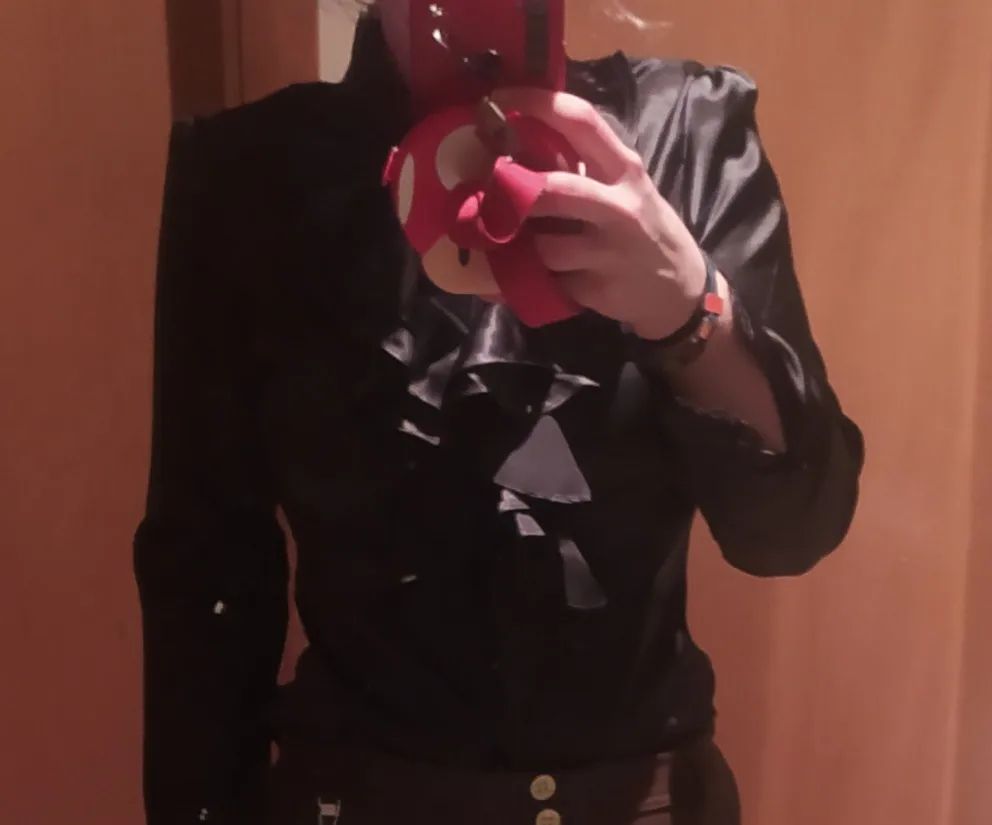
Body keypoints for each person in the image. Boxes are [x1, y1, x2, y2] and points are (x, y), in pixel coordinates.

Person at [134, 3, 865, 824]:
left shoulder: (685, 135)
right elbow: (204, 568)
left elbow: (793, 529)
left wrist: (686, 306)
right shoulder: (251, 176)